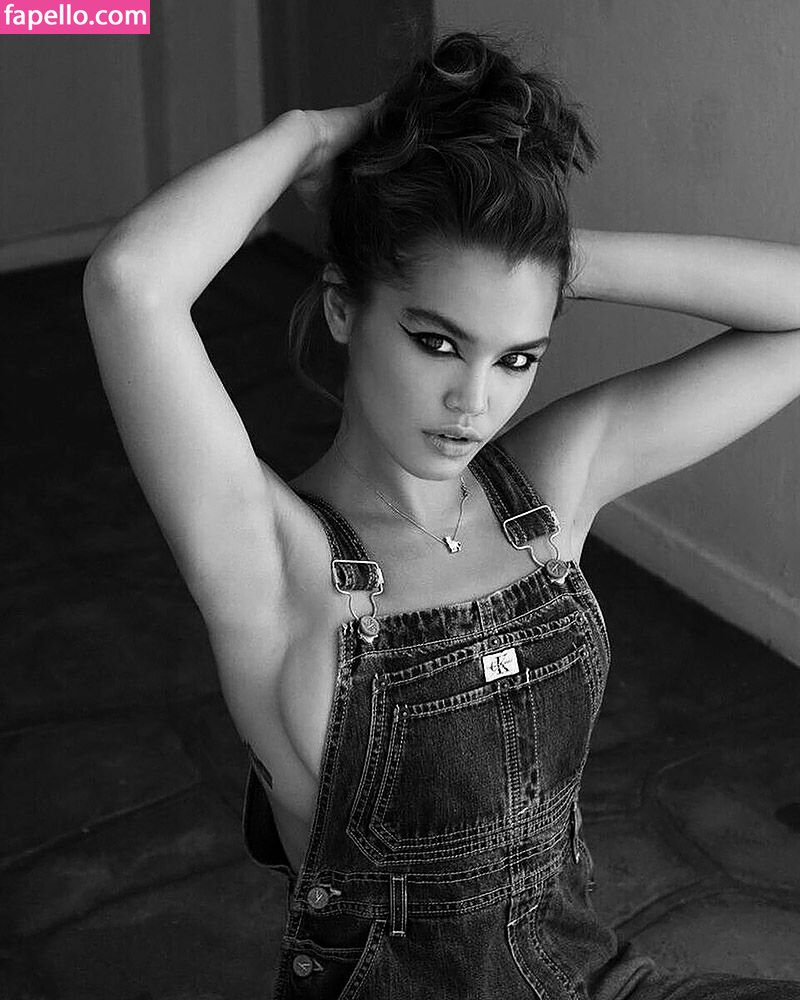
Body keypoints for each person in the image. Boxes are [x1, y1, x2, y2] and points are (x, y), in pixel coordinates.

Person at [83, 30, 800, 1000]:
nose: (475, 401)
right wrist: (316, 133)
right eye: (436, 341)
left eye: (516, 357)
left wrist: (546, 264)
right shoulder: (271, 563)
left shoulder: (544, 495)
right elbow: (131, 284)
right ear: (343, 306)